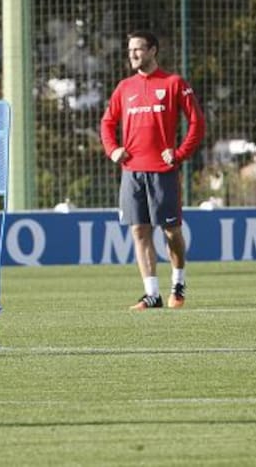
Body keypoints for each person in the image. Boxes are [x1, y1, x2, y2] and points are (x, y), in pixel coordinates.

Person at [100, 30, 205, 311]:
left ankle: (178, 284)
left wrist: (179, 153)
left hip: (162, 171)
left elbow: (197, 123)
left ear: (153, 51)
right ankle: (151, 294)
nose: (133, 54)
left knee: (171, 231)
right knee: (139, 231)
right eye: (130, 49)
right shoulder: (124, 87)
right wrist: (113, 150)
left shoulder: (173, 83)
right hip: (132, 171)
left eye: (139, 49)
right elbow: (107, 123)